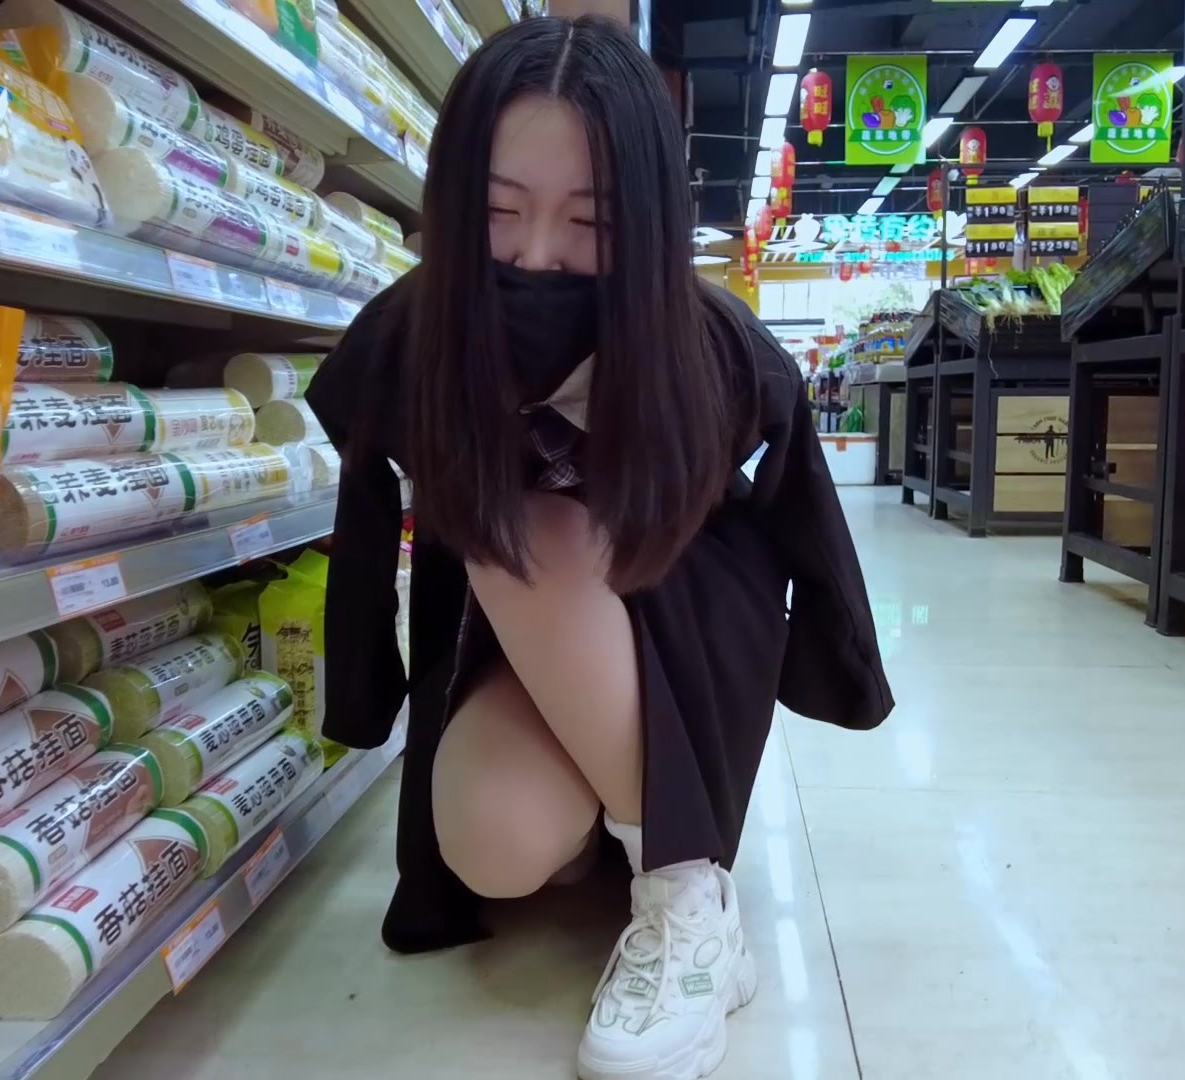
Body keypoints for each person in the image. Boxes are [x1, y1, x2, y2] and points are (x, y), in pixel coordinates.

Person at [304, 15, 892, 1080]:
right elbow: (365, 523)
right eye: (499, 212)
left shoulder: (713, 350)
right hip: (523, 633)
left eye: (589, 220)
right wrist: (365, 688)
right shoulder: (409, 338)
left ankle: (686, 902)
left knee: (528, 524)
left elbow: (801, 520)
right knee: (493, 845)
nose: (537, 255)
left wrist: (835, 660)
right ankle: (612, 810)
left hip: (689, 610)